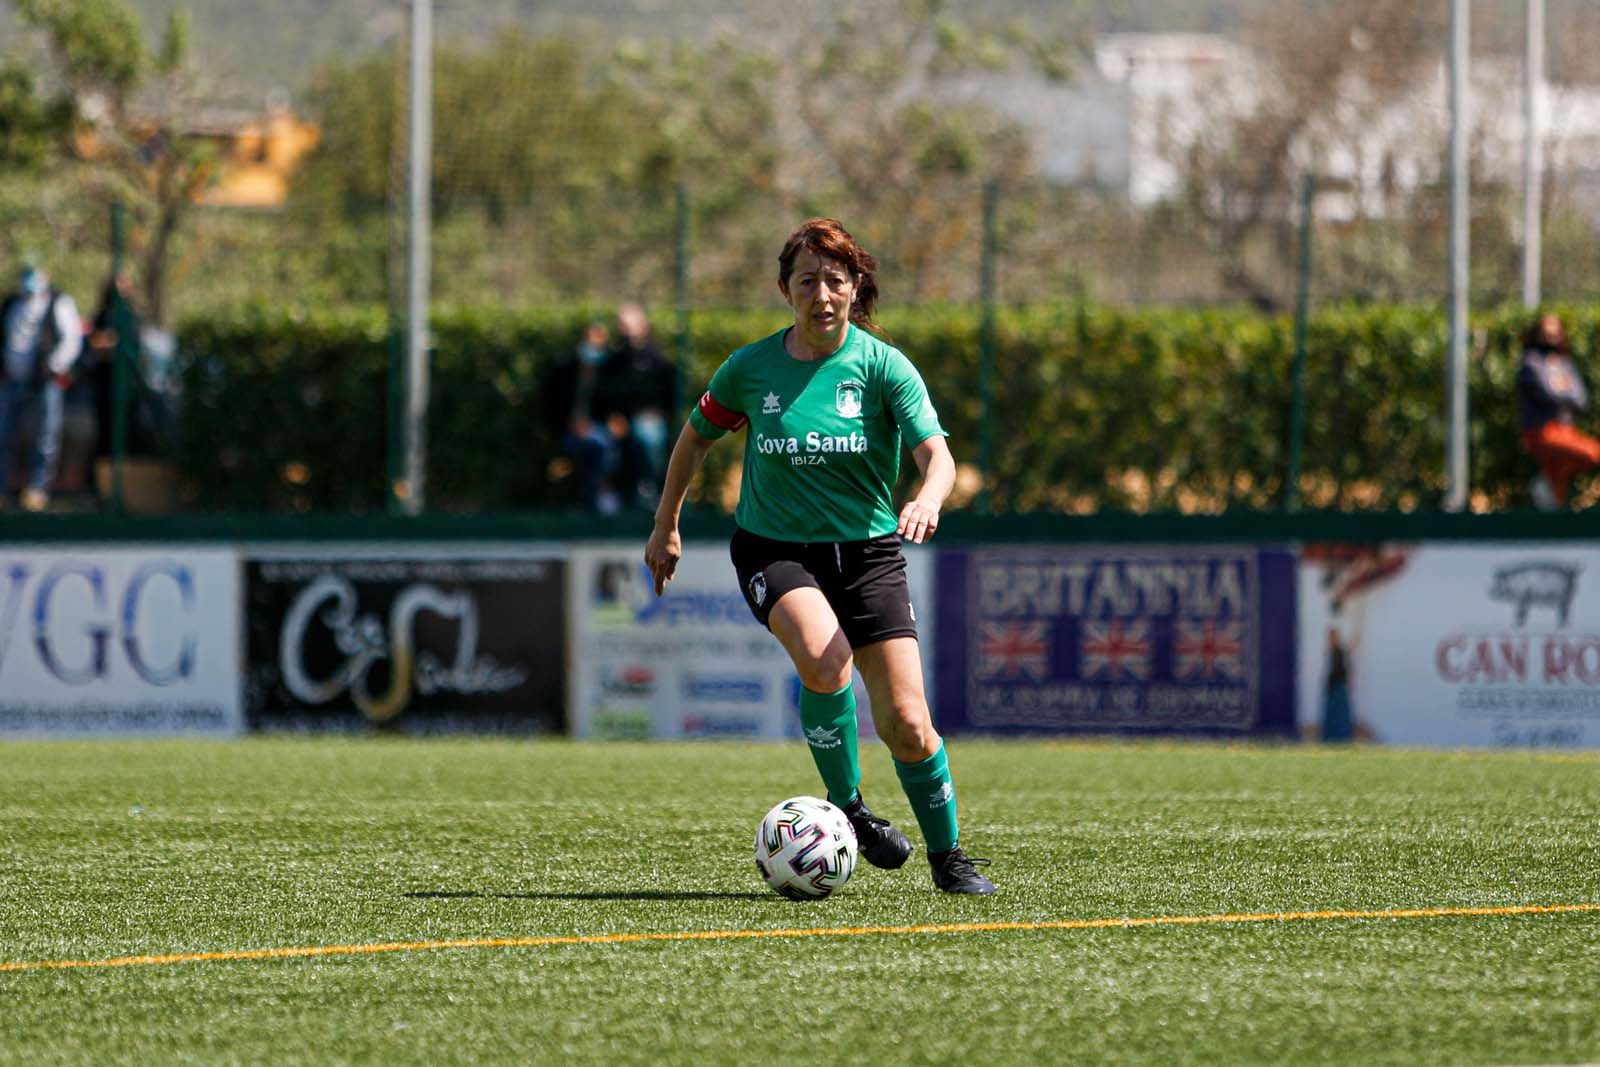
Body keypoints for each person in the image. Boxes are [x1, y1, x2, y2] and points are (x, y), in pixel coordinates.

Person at [644, 218, 995, 895]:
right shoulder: (750, 368)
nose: (822, 294)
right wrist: (667, 525)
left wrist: (929, 497)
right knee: (824, 657)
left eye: (835, 280)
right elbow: (693, 441)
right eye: (807, 281)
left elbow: (938, 456)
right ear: (785, 290)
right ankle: (852, 807)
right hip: (775, 549)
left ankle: (948, 855)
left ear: (856, 287)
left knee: (908, 724)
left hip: (868, 555)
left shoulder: (884, 366)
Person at [0, 265, 83, 511]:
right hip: (13, 380)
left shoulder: (59, 302)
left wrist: (53, 365)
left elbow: (71, 340)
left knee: (45, 436)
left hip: (44, 381)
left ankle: (38, 489)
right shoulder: (12, 304)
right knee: (4, 435)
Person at [596, 303, 678, 510]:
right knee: (602, 442)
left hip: (649, 419)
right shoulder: (613, 362)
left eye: (630, 326)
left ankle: (651, 490)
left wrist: (656, 414)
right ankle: (610, 496)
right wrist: (612, 417)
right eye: (623, 326)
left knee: (647, 436)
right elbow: (604, 395)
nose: (627, 332)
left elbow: (668, 396)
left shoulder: (657, 361)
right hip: (619, 420)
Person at [1517, 312, 1599, 510]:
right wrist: (1564, 390)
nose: (1550, 338)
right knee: (1592, 453)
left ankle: (1549, 514)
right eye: (1546, 333)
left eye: (1555, 333)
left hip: (1566, 430)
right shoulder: (1531, 363)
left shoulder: (1564, 363)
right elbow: (1548, 394)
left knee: (1556, 487)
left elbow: (1580, 398)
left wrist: (1562, 390)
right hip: (1543, 432)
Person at [542, 321, 621, 513]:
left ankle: (603, 494)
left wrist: (614, 421)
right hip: (568, 431)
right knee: (599, 445)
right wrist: (570, 424)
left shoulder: (607, 374)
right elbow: (551, 406)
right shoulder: (563, 372)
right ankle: (597, 495)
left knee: (608, 441)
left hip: (597, 428)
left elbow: (613, 406)